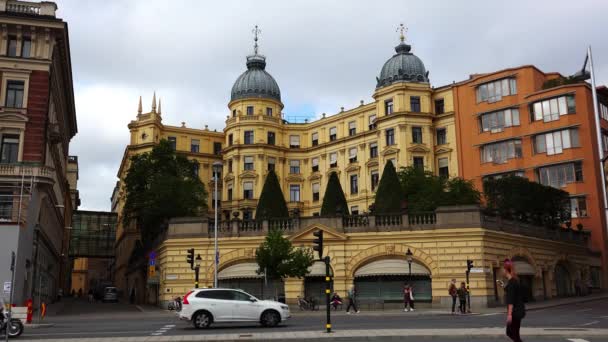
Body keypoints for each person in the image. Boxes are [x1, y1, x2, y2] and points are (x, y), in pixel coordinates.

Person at [504, 258, 526, 342]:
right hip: (519, 311)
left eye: (503, 269)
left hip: (514, 313)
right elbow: (514, 294)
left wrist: (509, 315)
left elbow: (511, 300)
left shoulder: (511, 283)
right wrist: (505, 287)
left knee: (511, 332)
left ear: (506, 270)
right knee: (515, 334)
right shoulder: (515, 281)